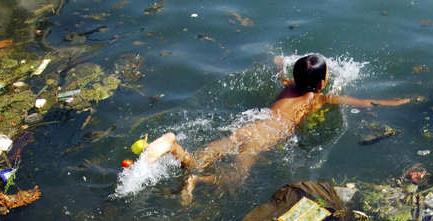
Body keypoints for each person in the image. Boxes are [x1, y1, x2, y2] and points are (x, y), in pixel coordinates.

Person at [145, 54, 411, 204]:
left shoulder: (287, 85)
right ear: (321, 84)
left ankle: (173, 146)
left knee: (196, 160)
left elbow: (278, 69)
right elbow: (364, 102)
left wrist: (278, 62)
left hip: (247, 129)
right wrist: (395, 102)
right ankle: (197, 181)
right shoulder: (318, 99)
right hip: (260, 141)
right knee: (234, 182)